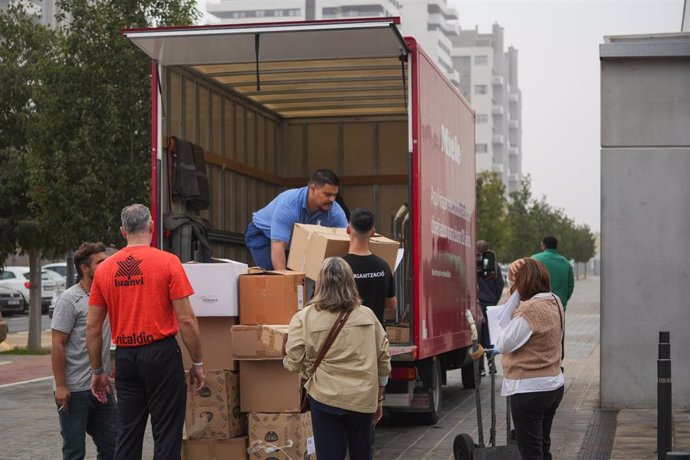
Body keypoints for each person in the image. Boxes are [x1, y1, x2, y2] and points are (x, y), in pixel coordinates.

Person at [86, 204, 205, 460]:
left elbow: (93, 326)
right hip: (161, 355)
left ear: (122, 232)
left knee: (127, 434)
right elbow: (186, 320)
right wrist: (197, 362)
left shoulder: (105, 270)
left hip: (126, 358)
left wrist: (98, 371)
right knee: (166, 434)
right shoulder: (167, 263)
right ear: (151, 227)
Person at [284, 257, 391, 460]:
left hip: (324, 398)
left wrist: (308, 369)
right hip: (362, 398)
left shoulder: (303, 317)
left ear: (320, 284)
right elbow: (383, 358)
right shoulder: (368, 316)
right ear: (350, 282)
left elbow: (293, 362)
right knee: (362, 454)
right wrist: (379, 395)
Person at [488, 258, 565, 460]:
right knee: (542, 445)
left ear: (524, 284)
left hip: (530, 389)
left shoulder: (529, 310)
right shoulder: (555, 301)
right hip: (553, 385)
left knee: (530, 450)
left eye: (516, 282)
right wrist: (514, 279)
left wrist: (514, 289)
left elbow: (504, 342)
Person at [51, 242, 116, 460]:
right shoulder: (70, 299)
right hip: (75, 391)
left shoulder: (108, 294)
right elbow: (57, 343)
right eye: (101, 262)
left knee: (113, 448)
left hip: (102, 387)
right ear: (84, 268)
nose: (107, 265)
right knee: (74, 452)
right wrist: (61, 386)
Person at [245, 169, 348, 270]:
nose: (332, 200)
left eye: (335, 195)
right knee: (273, 274)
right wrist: (284, 282)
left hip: (290, 241)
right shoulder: (288, 205)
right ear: (312, 189)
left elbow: (348, 241)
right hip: (262, 235)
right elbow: (278, 245)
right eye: (327, 194)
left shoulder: (335, 211)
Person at [343, 207, 397, 324]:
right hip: (375, 336)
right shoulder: (383, 267)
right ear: (373, 233)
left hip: (347, 336)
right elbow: (391, 304)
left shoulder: (339, 267)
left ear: (348, 230)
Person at [476, 240, 505, 375]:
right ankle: (491, 361)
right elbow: (500, 284)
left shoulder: (472, 264)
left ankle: (480, 366)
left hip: (476, 303)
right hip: (489, 303)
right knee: (489, 334)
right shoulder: (493, 265)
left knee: (478, 335)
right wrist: (494, 300)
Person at [531, 236, 574, 309]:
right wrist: (563, 300)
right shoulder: (565, 262)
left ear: (543, 245)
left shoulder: (534, 259)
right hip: (559, 305)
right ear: (556, 246)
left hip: (538, 305)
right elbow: (570, 285)